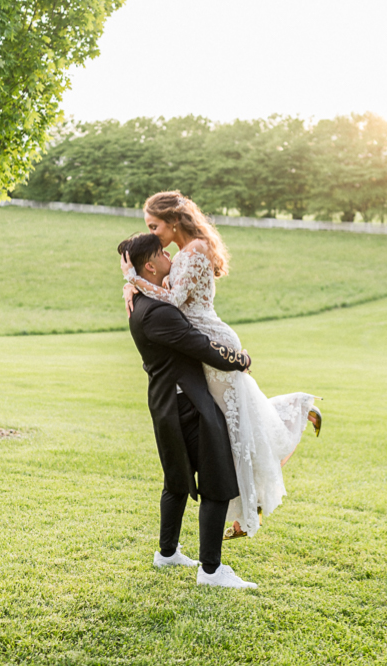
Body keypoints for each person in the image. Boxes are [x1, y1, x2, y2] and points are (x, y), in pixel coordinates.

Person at [121, 191, 322, 539]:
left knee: (235, 428)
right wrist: (136, 287)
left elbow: (171, 299)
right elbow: (167, 294)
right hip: (203, 343)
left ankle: (250, 506)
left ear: (171, 221)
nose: (153, 235)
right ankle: (248, 508)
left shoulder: (194, 250)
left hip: (214, 342)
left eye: (155, 226)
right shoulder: (183, 255)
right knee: (232, 428)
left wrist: (132, 281)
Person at [119, 232, 258, 589]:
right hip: (189, 405)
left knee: (177, 481)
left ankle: (167, 554)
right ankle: (211, 571)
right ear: (150, 266)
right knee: (216, 482)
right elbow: (200, 345)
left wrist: (132, 282)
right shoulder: (159, 313)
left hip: (167, 405)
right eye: (163, 253)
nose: (170, 257)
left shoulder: (143, 305)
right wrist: (239, 359)